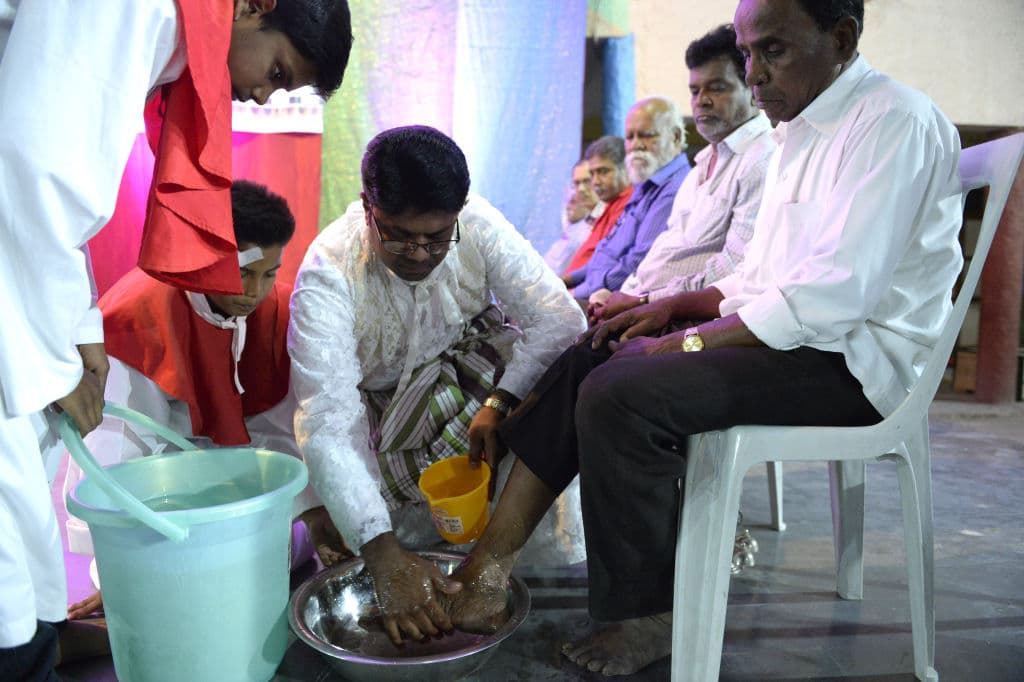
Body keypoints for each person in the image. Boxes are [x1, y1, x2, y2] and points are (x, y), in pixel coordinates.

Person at [445, 1, 963, 676]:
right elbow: (764, 276)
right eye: (747, 54)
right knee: (596, 349)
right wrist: (678, 308)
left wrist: (694, 342)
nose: (755, 74)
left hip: (860, 362)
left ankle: (654, 611)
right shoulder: (799, 133)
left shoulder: (893, 121)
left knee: (621, 395)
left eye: (771, 51)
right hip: (807, 337)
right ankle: (489, 565)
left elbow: (834, 297)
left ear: (840, 38)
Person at [0, 1, 352, 677]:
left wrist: (77, 330)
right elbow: (33, 171)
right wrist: (67, 348)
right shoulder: (134, 10)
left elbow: (280, 435)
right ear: (251, 5)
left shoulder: (279, 308)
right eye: (276, 70)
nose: (259, 96)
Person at [288, 125, 587, 648]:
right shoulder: (327, 273)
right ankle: (425, 566)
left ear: (458, 212)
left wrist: (499, 401)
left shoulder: (475, 221)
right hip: (382, 411)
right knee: (370, 528)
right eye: (400, 236)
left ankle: (488, 569)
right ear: (367, 207)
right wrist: (380, 552)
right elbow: (329, 419)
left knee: (566, 385)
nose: (421, 254)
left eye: (436, 237)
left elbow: (559, 320)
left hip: (477, 373)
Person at [60, 180, 316, 620]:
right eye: (243, 272)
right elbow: (119, 458)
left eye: (268, 273)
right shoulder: (139, 316)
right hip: (161, 499)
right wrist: (122, 566)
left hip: (238, 492)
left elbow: (281, 438)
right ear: (208, 255)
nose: (254, 293)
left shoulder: (277, 310)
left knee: (285, 551)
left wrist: (299, 511)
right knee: (163, 579)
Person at [589, 24, 775, 324]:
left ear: (753, 90)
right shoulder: (700, 166)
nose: (701, 100)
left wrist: (643, 301)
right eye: (694, 90)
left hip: (685, 321)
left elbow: (732, 271)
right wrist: (621, 295)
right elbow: (663, 251)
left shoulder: (761, 160)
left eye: (717, 88)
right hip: (643, 307)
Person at [566, 97, 692, 307]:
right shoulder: (646, 184)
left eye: (646, 135)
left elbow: (639, 262)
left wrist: (578, 291)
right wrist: (566, 282)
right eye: (630, 137)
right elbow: (606, 252)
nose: (635, 145)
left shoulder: (673, 189)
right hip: (594, 291)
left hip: (611, 299)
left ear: (676, 137)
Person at [561, 136, 632, 283]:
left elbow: (608, 265)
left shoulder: (629, 204)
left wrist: (565, 285)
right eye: (592, 174)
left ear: (625, 168)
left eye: (603, 172)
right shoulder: (610, 206)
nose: (596, 182)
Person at [543, 160, 606, 275]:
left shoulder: (610, 214)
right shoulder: (586, 222)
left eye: (587, 181)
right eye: (577, 183)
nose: (581, 189)